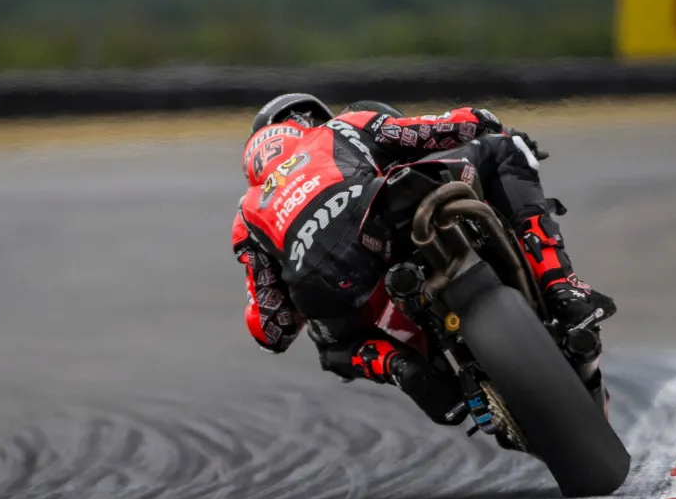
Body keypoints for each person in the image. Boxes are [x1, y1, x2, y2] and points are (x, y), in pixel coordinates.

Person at [231, 93, 615, 427]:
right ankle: (559, 283)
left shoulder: (247, 214)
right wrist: (482, 118)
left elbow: (271, 330)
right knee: (506, 148)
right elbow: (450, 127)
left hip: (327, 282)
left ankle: (403, 369)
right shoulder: (343, 127)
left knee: (329, 343)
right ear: (308, 121)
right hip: (376, 211)